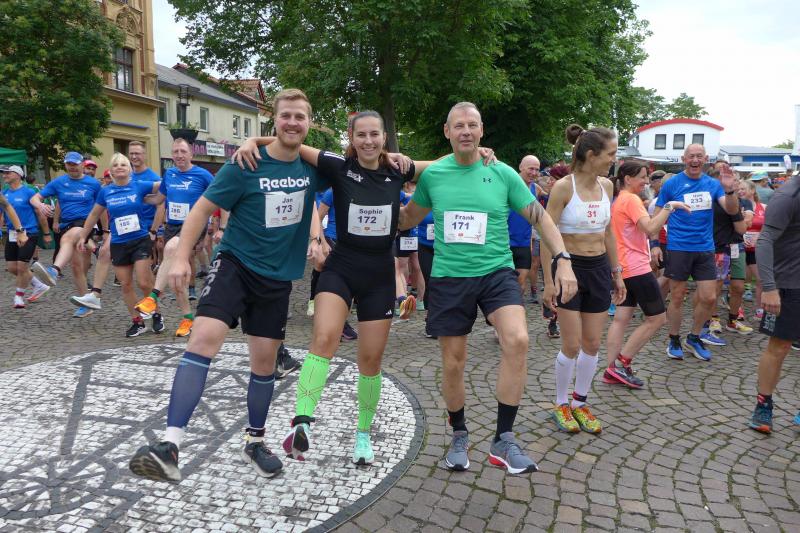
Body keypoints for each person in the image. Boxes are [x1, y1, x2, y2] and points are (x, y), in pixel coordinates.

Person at [129, 88, 328, 482]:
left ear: (308, 122)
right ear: (274, 120)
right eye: (285, 115)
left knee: (265, 364)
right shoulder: (245, 163)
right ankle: (170, 445)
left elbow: (334, 180)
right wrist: (181, 257)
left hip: (277, 279)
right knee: (202, 339)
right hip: (235, 265)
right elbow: (202, 209)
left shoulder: (314, 168)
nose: (292, 122)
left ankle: (255, 442)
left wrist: (317, 237)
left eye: (300, 116)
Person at [399, 102, 577, 474]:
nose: (466, 131)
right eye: (458, 125)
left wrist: (563, 259)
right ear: (447, 132)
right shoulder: (434, 176)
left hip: (496, 272)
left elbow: (541, 218)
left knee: (518, 339)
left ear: (482, 131)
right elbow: (406, 219)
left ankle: (503, 439)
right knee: (453, 363)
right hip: (450, 276)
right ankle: (459, 433)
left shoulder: (503, 173)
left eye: (472, 125)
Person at [237, 110, 420, 465]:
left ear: (384, 137)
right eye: (361, 135)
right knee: (323, 339)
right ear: (351, 137)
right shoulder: (339, 166)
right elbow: (289, 144)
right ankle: (301, 424)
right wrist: (252, 140)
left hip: (379, 276)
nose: (368, 141)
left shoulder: (398, 168)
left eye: (375, 134)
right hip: (341, 268)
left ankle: (363, 435)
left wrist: (481, 153)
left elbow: (445, 166)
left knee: (371, 360)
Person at [540, 124, 624, 435]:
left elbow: (608, 232)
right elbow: (546, 234)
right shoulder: (564, 188)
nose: (614, 160)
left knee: (591, 343)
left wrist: (617, 273)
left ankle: (580, 402)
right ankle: (561, 403)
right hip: (569, 270)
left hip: (598, 268)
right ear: (591, 155)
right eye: (611, 154)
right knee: (572, 344)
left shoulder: (607, 186)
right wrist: (549, 283)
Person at [605, 162, 689, 389]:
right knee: (657, 318)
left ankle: (611, 369)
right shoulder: (631, 200)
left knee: (621, 319)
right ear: (628, 178)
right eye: (642, 177)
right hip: (637, 268)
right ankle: (622, 362)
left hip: (623, 267)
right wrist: (670, 206)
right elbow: (651, 228)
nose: (646, 181)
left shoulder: (619, 199)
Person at [654, 144, 739, 361]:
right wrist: (654, 243)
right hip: (679, 246)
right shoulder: (672, 183)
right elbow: (656, 214)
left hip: (705, 247)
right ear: (684, 159)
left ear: (705, 158)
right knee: (677, 296)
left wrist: (730, 190)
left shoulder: (713, 184)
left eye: (699, 156)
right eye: (691, 156)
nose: (695, 160)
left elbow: (731, 209)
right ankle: (674, 339)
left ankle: (693, 337)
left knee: (709, 297)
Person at [133, 139, 214, 337]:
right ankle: (188, 318)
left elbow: (221, 196)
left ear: (191, 154)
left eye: (183, 151)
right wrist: (137, 198)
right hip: (172, 226)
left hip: (193, 225)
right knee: (175, 277)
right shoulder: (169, 174)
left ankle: (153, 297)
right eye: (175, 152)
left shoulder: (203, 175)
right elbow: (159, 199)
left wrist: (219, 227)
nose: (179, 155)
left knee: (170, 249)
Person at [75, 153, 160, 336]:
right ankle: (137, 322)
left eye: (123, 164)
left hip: (140, 240)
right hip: (119, 243)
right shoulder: (105, 191)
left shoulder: (139, 185)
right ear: (111, 171)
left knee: (144, 282)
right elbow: (94, 214)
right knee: (126, 284)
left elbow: (163, 185)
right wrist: (83, 236)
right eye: (115, 165)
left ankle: (156, 314)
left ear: (129, 169)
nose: (119, 167)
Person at [747, 171, 800, 433]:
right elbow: (765, 240)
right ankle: (763, 404)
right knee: (779, 347)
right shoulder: (788, 195)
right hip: (789, 284)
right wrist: (769, 287)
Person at [30, 152, 102, 317]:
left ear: (82, 164)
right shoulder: (59, 182)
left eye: (75, 164)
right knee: (76, 266)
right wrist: (40, 206)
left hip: (86, 223)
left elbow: (102, 207)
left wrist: (105, 230)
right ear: (65, 165)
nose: (72, 167)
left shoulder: (93, 184)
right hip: (67, 224)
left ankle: (54, 270)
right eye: (69, 164)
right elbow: (34, 198)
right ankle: (86, 303)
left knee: (67, 238)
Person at [315, 188, 359, 341]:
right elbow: (318, 218)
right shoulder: (332, 192)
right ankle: (337, 325)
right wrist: (322, 242)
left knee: (350, 283)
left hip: (351, 243)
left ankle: (340, 322)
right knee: (338, 284)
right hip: (332, 239)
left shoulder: (357, 190)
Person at [2, 165, 48, 308]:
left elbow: (39, 212)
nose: (4, 175)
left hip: (29, 232)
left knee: (22, 267)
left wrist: (46, 233)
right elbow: (2, 214)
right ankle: (38, 284)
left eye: (8, 173)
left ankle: (18, 297)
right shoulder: (4, 192)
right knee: (12, 268)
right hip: (12, 233)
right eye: (3, 173)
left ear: (18, 174)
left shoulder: (29, 192)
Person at [740, 180, 765, 320]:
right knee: (738, 282)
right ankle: (737, 309)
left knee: (761, 279)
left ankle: (759, 309)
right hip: (739, 248)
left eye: (743, 189)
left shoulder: (764, 207)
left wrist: (761, 236)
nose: (740, 191)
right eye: (739, 189)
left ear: (752, 190)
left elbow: (768, 227)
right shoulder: (735, 206)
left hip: (757, 249)